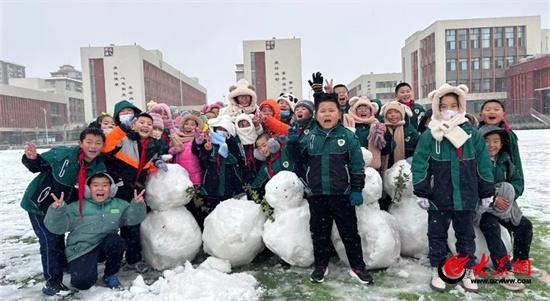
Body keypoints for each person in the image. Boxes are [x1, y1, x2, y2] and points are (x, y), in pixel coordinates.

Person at [411, 84, 495, 293]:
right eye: (444, 106)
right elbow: (419, 164)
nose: (449, 109)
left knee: (466, 235)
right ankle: (437, 268)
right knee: (436, 234)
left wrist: (486, 191)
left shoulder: (472, 134)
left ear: (461, 107)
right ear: (437, 108)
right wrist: (421, 190)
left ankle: (467, 269)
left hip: (466, 195)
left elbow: (483, 163)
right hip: (438, 195)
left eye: (454, 105)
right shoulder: (431, 135)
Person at [288, 91, 372, 285]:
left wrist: (357, 189)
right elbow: (299, 163)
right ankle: (321, 266)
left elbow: (357, 166)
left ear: (339, 113)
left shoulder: (348, 137)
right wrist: (292, 146)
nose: (327, 114)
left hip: (342, 195)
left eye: (331, 110)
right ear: (316, 115)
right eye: (322, 111)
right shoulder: (309, 137)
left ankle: (358, 266)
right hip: (317, 195)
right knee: (319, 233)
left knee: (349, 233)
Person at [21, 127, 107, 296]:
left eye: (98, 143)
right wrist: (31, 158)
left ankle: (61, 264)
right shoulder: (63, 155)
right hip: (40, 206)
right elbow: (37, 164)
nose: (93, 146)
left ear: (103, 146)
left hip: (63, 209)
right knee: (50, 241)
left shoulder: (99, 166)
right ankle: (52, 282)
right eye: (89, 142)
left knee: (59, 237)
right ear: (80, 143)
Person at [44, 173, 146, 291]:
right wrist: (57, 211)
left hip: (104, 246)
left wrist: (137, 205)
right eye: (95, 185)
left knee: (116, 241)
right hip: (81, 250)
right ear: (88, 189)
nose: (100, 188)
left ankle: (110, 274)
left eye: (105, 185)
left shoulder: (119, 205)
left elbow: (132, 219)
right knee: (82, 284)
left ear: (111, 188)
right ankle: (80, 268)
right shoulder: (77, 207)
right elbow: (57, 228)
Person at [102, 112, 168, 272]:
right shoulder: (124, 138)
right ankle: (105, 258)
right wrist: (121, 129)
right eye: (142, 122)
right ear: (133, 125)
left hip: (136, 191)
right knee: (112, 223)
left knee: (133, 225)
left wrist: (157, 164)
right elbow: (107, 147)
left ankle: (133, 258)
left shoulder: (152, 144)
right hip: (118, 189)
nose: (146, 126)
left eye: (149, 124)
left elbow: (145, 166)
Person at [477, 125, 532, 291]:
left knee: (524, 225)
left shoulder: (505, 161)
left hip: (505, 206)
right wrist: (494, 197)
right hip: (484, 207)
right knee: (490, 225)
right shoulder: (476, 161)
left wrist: (508, 195)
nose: (491, 145)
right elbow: (473, 186)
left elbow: (516, 181)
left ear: (502, 143)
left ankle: (520, 261)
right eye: (486, 141)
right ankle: (503, 270)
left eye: (495, 141)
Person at [197, 115, 244, 228]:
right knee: (211, 216)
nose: (221, 132)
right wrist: (207, 150)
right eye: (219, 129)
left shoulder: (233, 142)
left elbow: (238, 161)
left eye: (224, 129)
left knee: (226, 217)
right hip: (212, 187)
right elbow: (203, 162)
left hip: (229, 186)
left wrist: (227, 153)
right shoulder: (209, 142)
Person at [478, 99, 524, 196]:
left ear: (503, 114)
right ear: (481, 115)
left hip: (504, 188)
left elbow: (516, 162)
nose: (492, 112)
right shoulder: (475, 135)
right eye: (488, 109)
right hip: (482, 195)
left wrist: (512, 194)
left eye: (496, 109)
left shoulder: (509, 135)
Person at [342, 96, 386, 169]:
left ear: (371, 111)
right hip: (352, 165)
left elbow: (386, 150)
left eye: (366, 108)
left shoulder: (377, 125)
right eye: (360, 108)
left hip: (372, 168)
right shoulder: (348, 123)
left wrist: (385, 136)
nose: (363, 110)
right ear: (354, 110)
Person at [170, 113, 204, 186]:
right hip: (179, 167)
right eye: (186, 124)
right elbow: (170, 150)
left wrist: (199, 140)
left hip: (194, 168)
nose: (189, 126)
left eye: (192, 125)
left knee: (193, 190)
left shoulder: (197, 137)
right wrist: (175, 150)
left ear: (197, 126)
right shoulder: (176, 136)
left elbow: (199, 147)